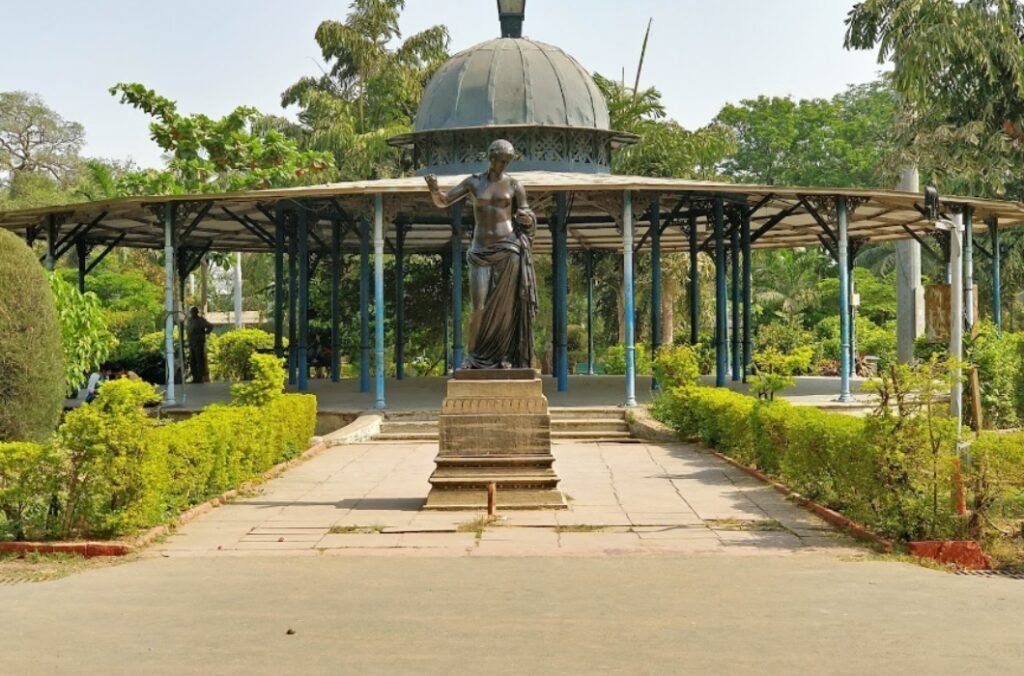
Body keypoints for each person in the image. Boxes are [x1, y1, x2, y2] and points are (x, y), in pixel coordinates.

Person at [425, 139, 538, 369]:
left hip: (509, 249)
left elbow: (527, 212)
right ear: (491, 157)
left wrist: (528, 218)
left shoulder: (515, 185)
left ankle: (505, 356)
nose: (503, 165)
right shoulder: (473, 183)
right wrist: (434, 189)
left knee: (506, 308)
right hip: (481, 250)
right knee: (479, 306)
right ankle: (473, 356)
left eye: (507, 161)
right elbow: (444, 201)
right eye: (500, 160)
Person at [186, 306, 214, 383]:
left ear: (196, 312)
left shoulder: (201, 320)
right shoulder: (190, 320)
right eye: (191, 312)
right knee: (192, 361)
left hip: (198, 342)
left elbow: (210, 326)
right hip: (191, 342)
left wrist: (205, 333)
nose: (192, 313)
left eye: (193, 312)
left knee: (199, 360)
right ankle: (194, 377)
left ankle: (200, 377)